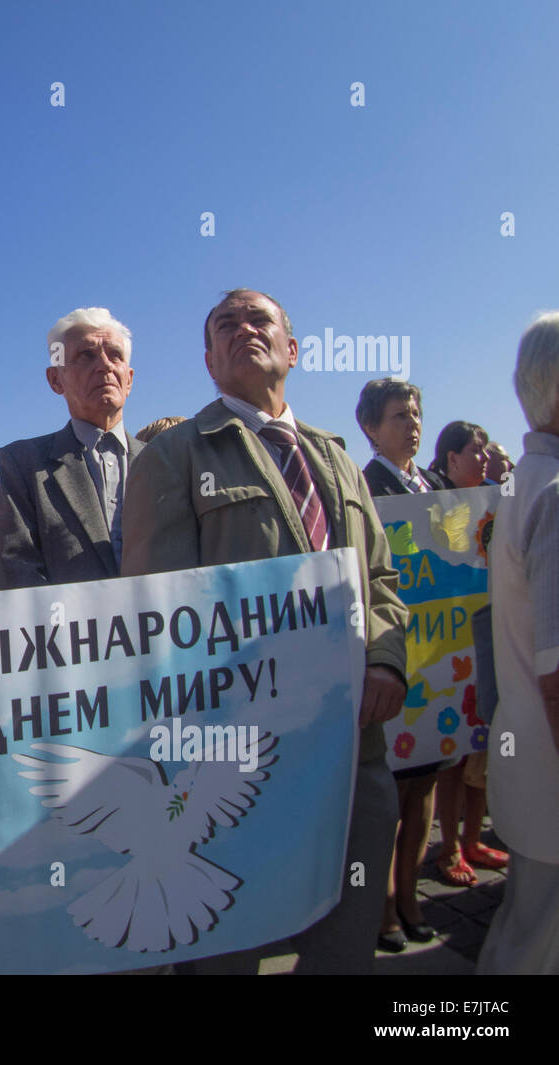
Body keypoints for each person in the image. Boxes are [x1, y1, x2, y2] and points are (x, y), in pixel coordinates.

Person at [120, 289, 407, 974]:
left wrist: (388, 662)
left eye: (260, 320)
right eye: (226, 324)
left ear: (294, 350)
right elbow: (157, 616)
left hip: (353, 751)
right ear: (210, 358)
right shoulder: (174, 457)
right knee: (227, 948)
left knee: (345, 947)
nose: (244, 329)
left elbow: (384, 580)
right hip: (233, 766)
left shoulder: (336, 457)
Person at [479, 312, 559, 973]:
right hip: (550, 758)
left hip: (530, 750)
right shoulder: (553, 492)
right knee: (538, 941)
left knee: (527, 925)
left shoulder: (522, 483)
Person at [354, 377, 444, 952]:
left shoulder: (435, 487)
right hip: (390, 656)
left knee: (426, 784)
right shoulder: (365, 487)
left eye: (415, 412)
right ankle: (383, 905)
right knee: (390, 793)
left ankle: (411, 894)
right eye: (397, 415)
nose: (411, 423)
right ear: (370, 427)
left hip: (440, 660)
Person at [0, 307, 144, 589]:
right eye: (86, 356)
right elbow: (17, 573)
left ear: (130, 378)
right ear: (55, 380)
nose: (104, 366)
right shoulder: (22, 464)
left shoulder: (166, 459)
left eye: (115, 355)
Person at [427, 419, 504, 885]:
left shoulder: (500, 506)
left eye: (484, 450)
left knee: (485, 752)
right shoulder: (433, 507)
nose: (484, 458)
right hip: (448, 647)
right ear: (451, 459)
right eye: (474, 450)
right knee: (453, 758)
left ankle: (475, 838)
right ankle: (449, 847)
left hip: (491, 643)